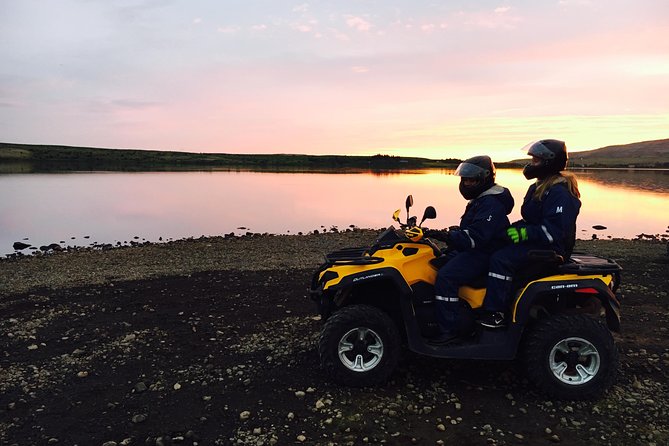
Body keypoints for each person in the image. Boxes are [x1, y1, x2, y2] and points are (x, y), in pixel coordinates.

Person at [479, 139, 581, 328]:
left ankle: (496, 313)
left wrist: (523, 234)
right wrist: (505, 231)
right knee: (494, 245)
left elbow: (554, 232)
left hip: (552, 249)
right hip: (538, 241)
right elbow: (531, 221)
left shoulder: (560, 193)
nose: (530, 165)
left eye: (535, 161)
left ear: (549, 162)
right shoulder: (539, 187)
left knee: (501, 259)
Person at [425, 155, 514, 344]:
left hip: (485, 252)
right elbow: (472, 230)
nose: (465, 184)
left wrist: (447, 236)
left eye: (470, 180)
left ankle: (449, 331)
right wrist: (453, 233)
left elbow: (477, 237)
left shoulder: (491, 203)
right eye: (463, 179)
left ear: (484, 178)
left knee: (446, 277)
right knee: (437, 262)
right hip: (479, 249)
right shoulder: (482, 199)